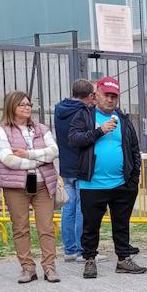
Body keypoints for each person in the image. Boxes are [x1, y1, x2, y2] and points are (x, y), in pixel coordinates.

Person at [69, 76, 147, 279]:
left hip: (121, 183)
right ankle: (89, 260)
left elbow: (134, 150)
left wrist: (133, 178)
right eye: (107, 95)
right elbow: (74, 140)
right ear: (95, 96)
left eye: (114, 96)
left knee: (121, 224)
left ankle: (123, 259)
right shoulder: (84, 116)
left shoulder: (123, 119)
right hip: (92, 183)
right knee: (91, 226)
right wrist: (99, 131)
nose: (110, 100)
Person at [0, 91, 61, 283]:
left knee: (46, 227)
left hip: (43, 184)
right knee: (20, 227)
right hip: (16, 187)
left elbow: (54, 151)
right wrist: (39, 160)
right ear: (11, 107)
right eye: (21, 104)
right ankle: (27, 268)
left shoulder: (41, 129)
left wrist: (29, 155)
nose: (27, 108)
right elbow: (9, 159)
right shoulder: (1, 131)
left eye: (29, 104)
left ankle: (49, 267)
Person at [53, 79, 94, 263]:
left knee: (68, 208)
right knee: (82, 208)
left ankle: (69, 249)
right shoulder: (83, 111)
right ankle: (81, 249)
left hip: (66, 164)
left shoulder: (60, 109)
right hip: (81, 164)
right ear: (90, 95)